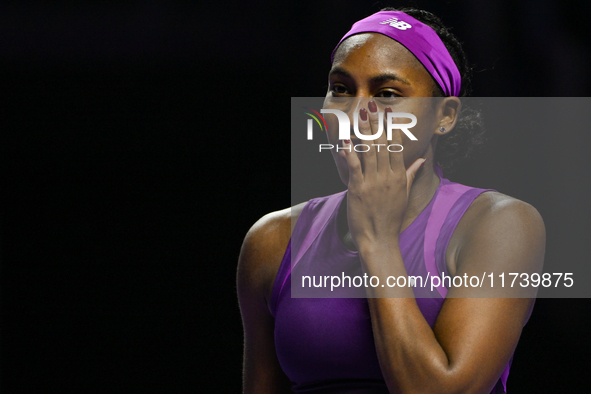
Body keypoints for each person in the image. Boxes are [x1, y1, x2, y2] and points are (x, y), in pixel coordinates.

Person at [237, 7, 545, 394]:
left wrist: (378, 241)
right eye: (341, 88)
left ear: (443, 116)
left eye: (387, 94)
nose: (356, 113)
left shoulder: (500, 225)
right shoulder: (273, 240)